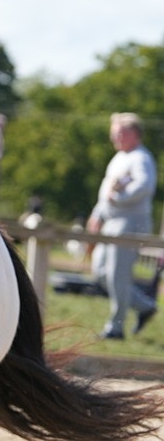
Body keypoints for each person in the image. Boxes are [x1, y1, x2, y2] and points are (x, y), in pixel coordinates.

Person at [86, 113, 158, 339]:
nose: (113, 136)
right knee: (100, 271)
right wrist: (97, 214)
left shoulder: (140, 158)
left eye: (118, 132)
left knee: (118, 275)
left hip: (130, 222)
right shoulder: (119, 157)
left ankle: (116, 327)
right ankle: (145, 306)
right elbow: (106, 192)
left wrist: (119, 199)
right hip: (112, 223)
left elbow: (144, 186)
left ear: (133, 133)